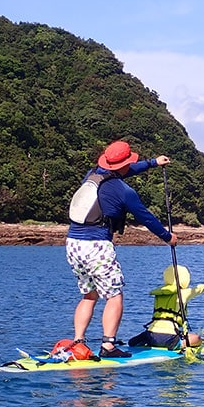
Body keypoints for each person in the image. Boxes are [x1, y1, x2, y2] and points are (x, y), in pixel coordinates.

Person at [66, 140, 177, 358]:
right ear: (124, 164)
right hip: (96, 246)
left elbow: (125, 170)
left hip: (72, 244)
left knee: (89, 295)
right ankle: (108, 346)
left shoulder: (93, 174)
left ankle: (78, 342)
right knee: (114, 296)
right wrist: (167, 237)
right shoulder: (125, 192)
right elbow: (145, 217)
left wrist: (153, 163)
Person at [128, 265, 204, 350]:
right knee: (197, 339)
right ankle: (178, 344)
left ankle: (139, 342)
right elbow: (200, 288)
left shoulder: (160, 293)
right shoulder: (183, 293)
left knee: (134, 341)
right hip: (169, 338)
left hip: (150, 334)